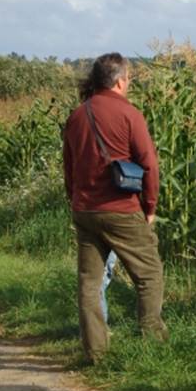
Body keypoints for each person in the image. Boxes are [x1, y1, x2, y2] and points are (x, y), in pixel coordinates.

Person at [62, 52, 168, 362]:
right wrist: (149, 206)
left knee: (89, 283)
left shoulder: (77, 115)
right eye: (129, 78)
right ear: (121, 81)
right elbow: (149, 163)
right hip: (121, 207)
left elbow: (69, 166)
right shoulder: (129, 114)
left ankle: (95, 353)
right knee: (149, 275)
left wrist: (76, 199)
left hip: (85, 209)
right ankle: (153, 345)